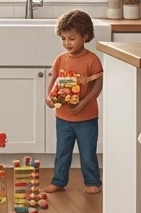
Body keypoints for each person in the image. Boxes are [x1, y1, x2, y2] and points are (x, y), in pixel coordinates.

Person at [44, 10, 103, 195]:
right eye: (63, 39)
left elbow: (97, 86)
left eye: (71, 38)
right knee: (62, 151)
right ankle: (59, 180)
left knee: (87, 153)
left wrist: (84, 102)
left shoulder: (92, 60)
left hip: (86, 118)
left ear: (85, 36)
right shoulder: (60, 59)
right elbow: (53, 80)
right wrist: (48, 97)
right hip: (63, 117)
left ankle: (93, 181)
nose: (67, 43)